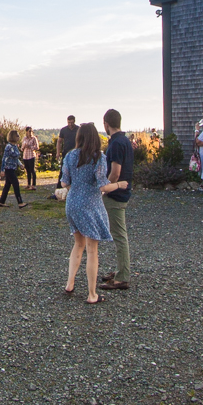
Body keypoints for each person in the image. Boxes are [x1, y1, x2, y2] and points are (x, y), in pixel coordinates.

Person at [60, 122, 130, 304]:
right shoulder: (98, 157)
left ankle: (70, 284)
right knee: (92, 250)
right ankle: (92, 295)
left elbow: (64, 182)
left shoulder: (70, 156)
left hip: (72, 204)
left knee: (78, 244)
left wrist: (77, 186)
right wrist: (119, 185)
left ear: (79, 137)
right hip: (90, 205)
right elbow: (103, 185)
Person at [100, 108, 134, 292]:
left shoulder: (115, 144)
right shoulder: (125, 140)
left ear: (106, 123)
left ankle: (122, 277)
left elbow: (115, 173)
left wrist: (104, 189)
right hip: (123, 192)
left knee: (120, 236)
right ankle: (121, 269)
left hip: (116, 195)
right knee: (119, 234)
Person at [0, 131, 29, 208]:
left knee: (7, 185)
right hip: (8, 168)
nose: (19, 137)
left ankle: (1, 201)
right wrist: (2, 170)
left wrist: (20, 164)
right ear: (13, 137)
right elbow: (5, 158)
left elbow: (15, 158)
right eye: (17, 136)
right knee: (16, 184)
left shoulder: (15, 146)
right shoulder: (8, 147)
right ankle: (20, 202)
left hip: (13, 168)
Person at [20, 126, 40, 191]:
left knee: (32, 170)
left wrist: (31, 147)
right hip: (25, 156)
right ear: (26, 132)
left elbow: (37, 147)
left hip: (31, 155)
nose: (30, 132)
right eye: (29, 131)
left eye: (31, 131)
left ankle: (33, 185)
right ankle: (28, 184)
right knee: (27, 171)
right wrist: (24, 146)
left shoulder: (34, 138)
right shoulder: (24, 138)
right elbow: (21, 148)